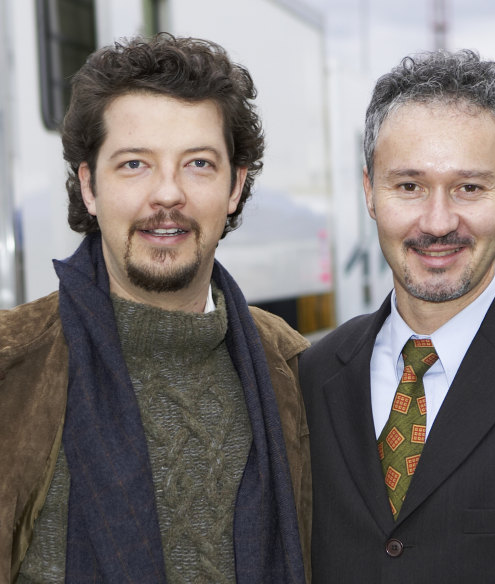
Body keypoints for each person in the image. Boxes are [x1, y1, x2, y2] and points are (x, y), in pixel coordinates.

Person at [0, 34, 310, 584]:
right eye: (135, 164)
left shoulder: (297, 372)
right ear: (89, 186)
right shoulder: (12, 366)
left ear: (235, 187)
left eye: (197, 164)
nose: (167, 194)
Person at [300, 49, 495, 583]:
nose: (437, 222)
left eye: (469, 187)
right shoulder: (312, 376)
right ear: (369, 192)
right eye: (408, 186)